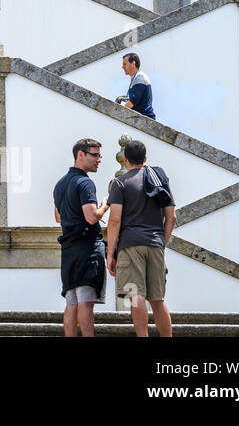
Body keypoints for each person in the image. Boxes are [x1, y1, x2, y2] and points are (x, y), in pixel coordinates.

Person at [107, 139, 174, 337]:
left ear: (125, 159)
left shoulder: (120, 183)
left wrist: (111, 253)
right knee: (158, 300)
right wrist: (161, 242)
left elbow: (114, 221)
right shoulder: (159, 179)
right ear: (145, 158)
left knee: (135, 298)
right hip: (155, 244)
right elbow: (172, 217)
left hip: (130, 246)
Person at [53, 137, 110, 337]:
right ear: (80, 155)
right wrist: (104, 205)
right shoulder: (85, 183)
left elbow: (58, 215)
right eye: (95, 155)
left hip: (68, 250)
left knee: (71, 303)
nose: (99, 160)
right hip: (87, 249)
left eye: (99, 155)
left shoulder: (60, 184)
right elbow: (92, 217)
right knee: (86, 303)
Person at [119, 52, 154, 119]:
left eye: (124, 64)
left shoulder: (140, 77)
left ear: (133, 63)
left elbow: (132, 102)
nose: (122, 67)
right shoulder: (135, 77)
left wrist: (118, 113)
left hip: (144, 119)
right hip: (141, 118)